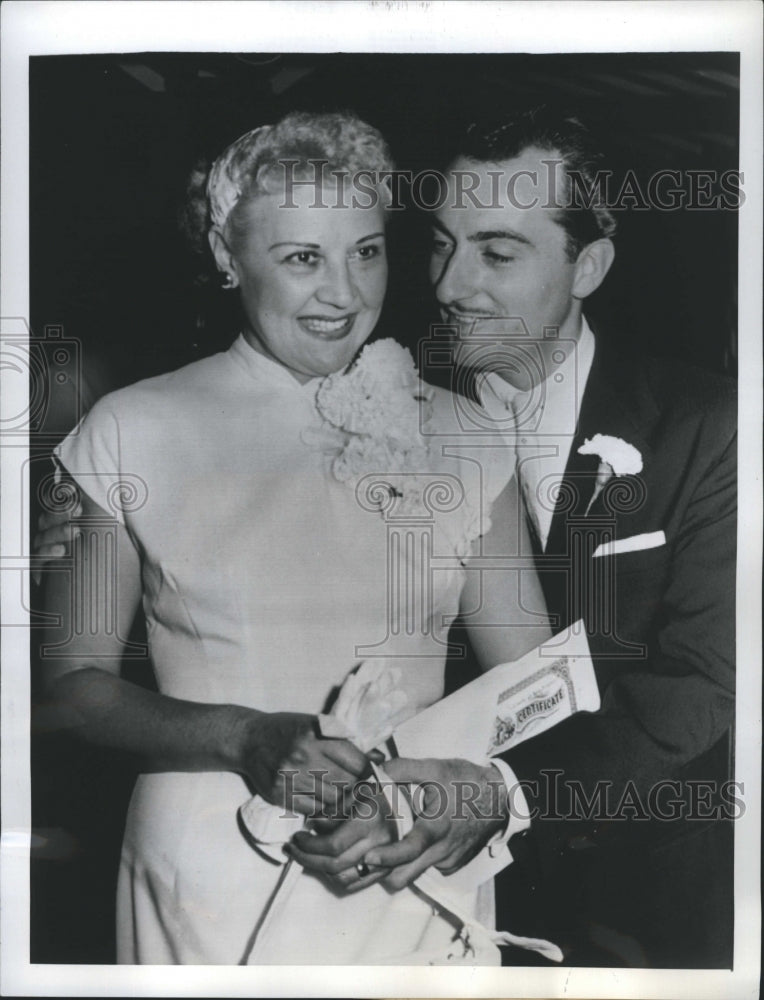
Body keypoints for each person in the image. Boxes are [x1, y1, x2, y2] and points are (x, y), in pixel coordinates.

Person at [34, 110, 550, 965]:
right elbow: (74, 686)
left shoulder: (464, 429)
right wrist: (240, 736)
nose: (345, 294)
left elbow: (533, 683)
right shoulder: (132, 426)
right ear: (226, 258)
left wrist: (489, 789)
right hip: (209, 877)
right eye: (303, 258)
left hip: (410, 861)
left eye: (367, 251)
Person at [287, 107, 737, 967]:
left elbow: (709, 678)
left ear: (589, 266)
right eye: (443, 246)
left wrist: (507, 789)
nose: (454, 286)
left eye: (497, 253)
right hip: (409, 890)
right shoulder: (371, 407)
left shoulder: (708, 426)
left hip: (648, 903)